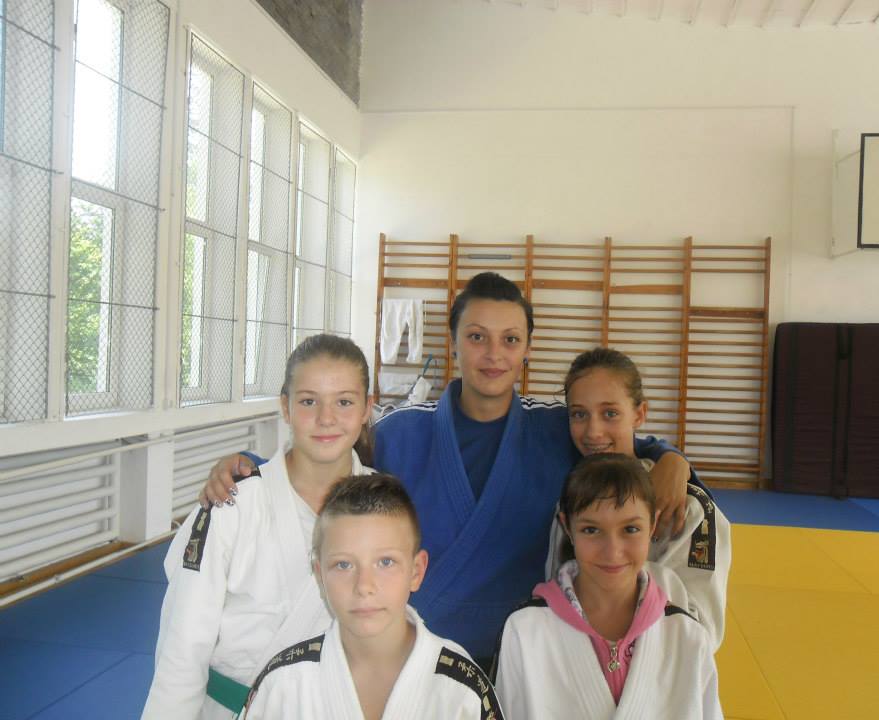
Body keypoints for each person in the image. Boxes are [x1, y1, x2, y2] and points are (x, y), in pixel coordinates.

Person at [198, 272, 697, 664]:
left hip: (520, 649)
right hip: (411, 650)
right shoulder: (401, 431)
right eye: (477, 337)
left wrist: (671, 459)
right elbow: (327, 458)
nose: (493, 355)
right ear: (454, 341)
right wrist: (255, 467)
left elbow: (615, 443)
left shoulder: (553, 428)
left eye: (510, 340)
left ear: (527, 349)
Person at [142, 335, 376, 719]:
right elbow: (183, 646)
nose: (326, 418)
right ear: (285, 406)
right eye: (308, 401)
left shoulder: (384, 509)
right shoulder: (231, 505)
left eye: (345, 402)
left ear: (367, 407)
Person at [240, 474, 504, 720]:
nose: (364, 586)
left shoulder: (463, 688)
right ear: (320, 575)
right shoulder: (283, 683)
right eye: (343, 565)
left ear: (416, 571)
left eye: (386, 562)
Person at [493, 453, 722, 720]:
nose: (612, 552)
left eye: (630, 529)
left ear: (652, 525)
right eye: (591, 530)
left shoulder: (688, 637)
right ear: (567, 527)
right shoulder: (524, 631)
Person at [545, 346, 731, 650]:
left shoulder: (690, 508)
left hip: (661, 669)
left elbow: (703, 634)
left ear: (640, 414)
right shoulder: (571, 500)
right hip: (575, 664)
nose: (593, 431)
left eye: (610, 413)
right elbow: (556, 600)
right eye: (579, 414)